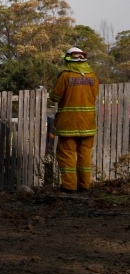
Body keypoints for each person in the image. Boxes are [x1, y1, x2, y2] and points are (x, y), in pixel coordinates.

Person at [49, 47, 99, 193]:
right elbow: (94, 95)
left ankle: (69, 186)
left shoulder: (65, 76)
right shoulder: (92, 77)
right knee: (85, 155)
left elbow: (54, 97)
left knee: (67, 154)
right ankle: (84, 186)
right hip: (88, 124)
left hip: (68, 124)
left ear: (68, 60)